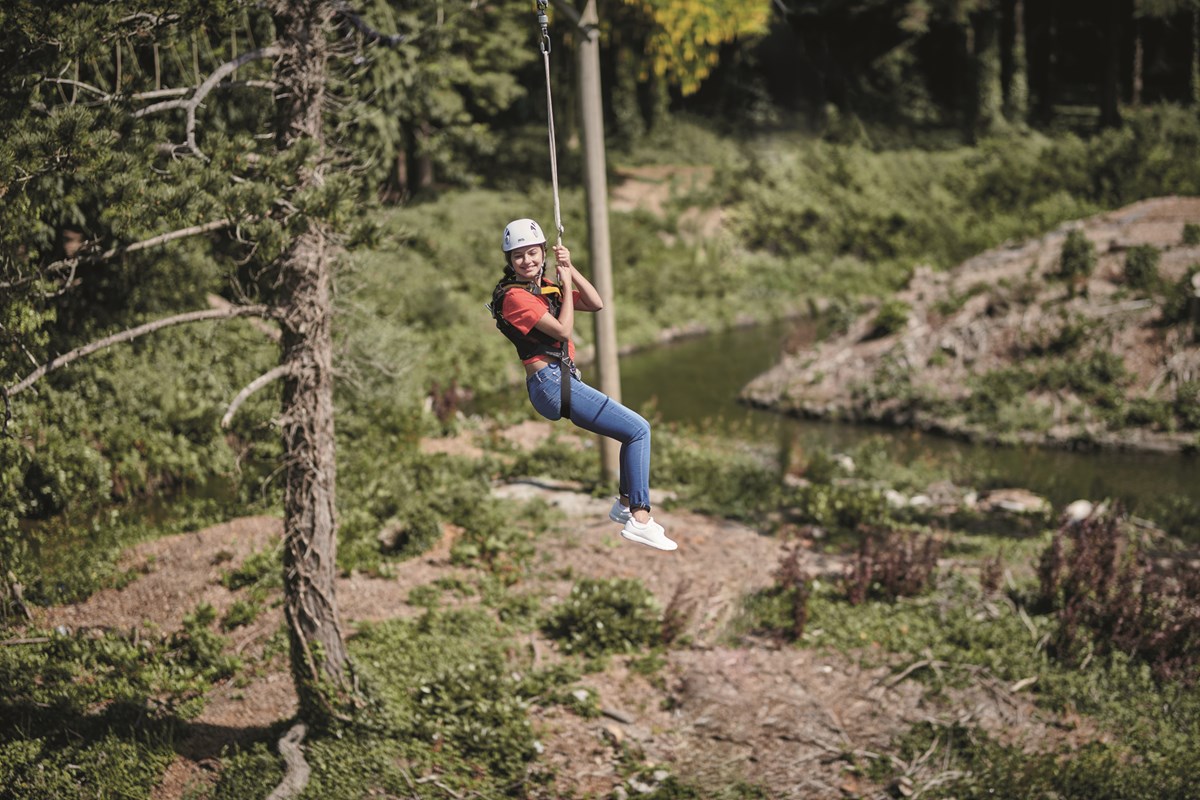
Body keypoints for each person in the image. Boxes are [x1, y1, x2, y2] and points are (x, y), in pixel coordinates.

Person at [491, 218, 676, 551]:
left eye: (532, 253)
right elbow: (562, 331)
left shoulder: (544, 288)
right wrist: (563, 286)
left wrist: (570, 270)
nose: (527, 261)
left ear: (543, 252)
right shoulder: (515, 298)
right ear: (509, 262)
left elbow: (595, 302)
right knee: (639, 429)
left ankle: (624, 506)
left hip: (557, 381)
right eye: (518, 256)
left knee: (629, 432)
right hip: (550, 383)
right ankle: (640, 516)